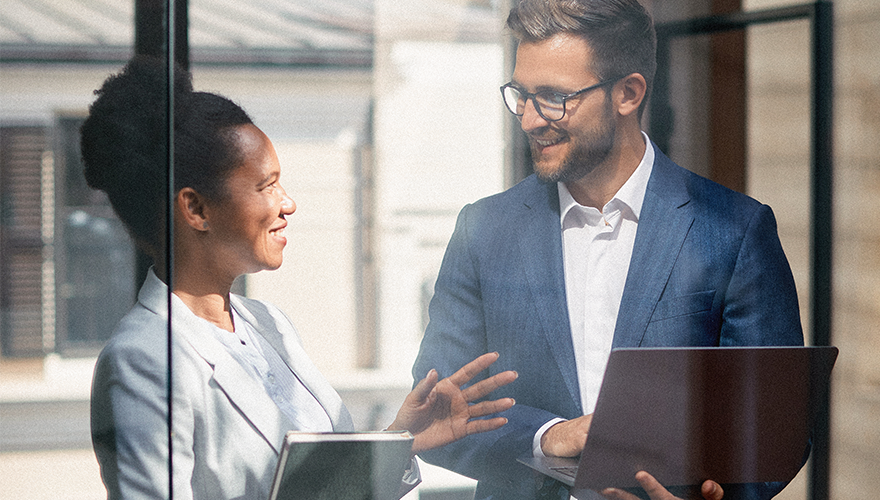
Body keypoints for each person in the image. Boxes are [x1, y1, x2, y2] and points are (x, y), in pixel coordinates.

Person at [411, 1, 804, 499]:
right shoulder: (483, 231)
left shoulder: (735, 229)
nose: (531, 119)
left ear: (628, 93)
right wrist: (549, 436)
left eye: (553, 97)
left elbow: (775, 424)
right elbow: (437, 409)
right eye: (522, 95)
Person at [82, 57, 518, 500]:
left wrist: (399, 441)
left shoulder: (269, 324)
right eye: (266, 185)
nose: (287, 203)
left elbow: (327, 485)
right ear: (195, 209)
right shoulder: (143, 360)